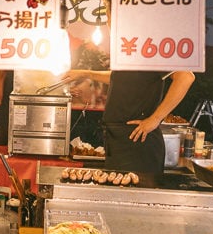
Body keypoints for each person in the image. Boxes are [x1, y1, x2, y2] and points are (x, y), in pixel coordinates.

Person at [63, 68, 194, 173]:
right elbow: (119, 79)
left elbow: (186, 76)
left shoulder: (152, 50)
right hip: (117, 139)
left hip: (137, 142)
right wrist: (86, 73)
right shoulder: (133, 55)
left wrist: (155, 119)